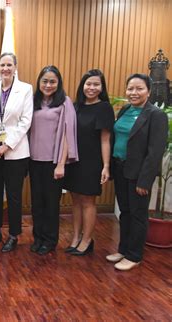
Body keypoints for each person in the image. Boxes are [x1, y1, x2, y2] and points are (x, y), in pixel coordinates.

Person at [107, 74, 167, 271]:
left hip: (139, 174)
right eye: (130, 88)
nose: (134, 92)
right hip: (120, 167)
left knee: (138, 214)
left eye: (139, 88)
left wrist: (145, 181)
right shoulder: (125, 109)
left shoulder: (155, 115)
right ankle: (123, 249)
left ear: (148, 91)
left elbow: (155, 151)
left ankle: (134, 255)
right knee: (124, 212)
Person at [0, 53, 33, 252]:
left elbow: (25, 121)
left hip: (15, 152)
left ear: (15, 67)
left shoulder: (25, 89)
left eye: (9, 65)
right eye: (2, 65)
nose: (6, 68)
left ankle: (14, 235)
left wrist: (6, 145)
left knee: (14, 194)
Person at [63, 69, 115, 256]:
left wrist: (106, 166)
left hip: (92, 162)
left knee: (88, 201)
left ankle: (87, 240)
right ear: (82, 85)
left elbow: (105, 139)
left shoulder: (104, 108)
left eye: (96, 84)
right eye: (88, 84)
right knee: (75, 200)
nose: (92, 88)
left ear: (102, 87)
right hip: (73, 160)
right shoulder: (75, 106)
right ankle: (76, 237)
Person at [29, 65, 78, 255]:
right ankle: (38, 237)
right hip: (34, 160)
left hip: (53, 162)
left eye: (52, 81)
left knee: (51, 203)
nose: (48, 85)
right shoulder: (33, 101)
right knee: (37, 203)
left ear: (58, 83)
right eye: (45, 81)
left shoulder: (64, 102)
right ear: (39, 82)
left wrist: (60, 164)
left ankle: (50, 240)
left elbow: (68, 134)